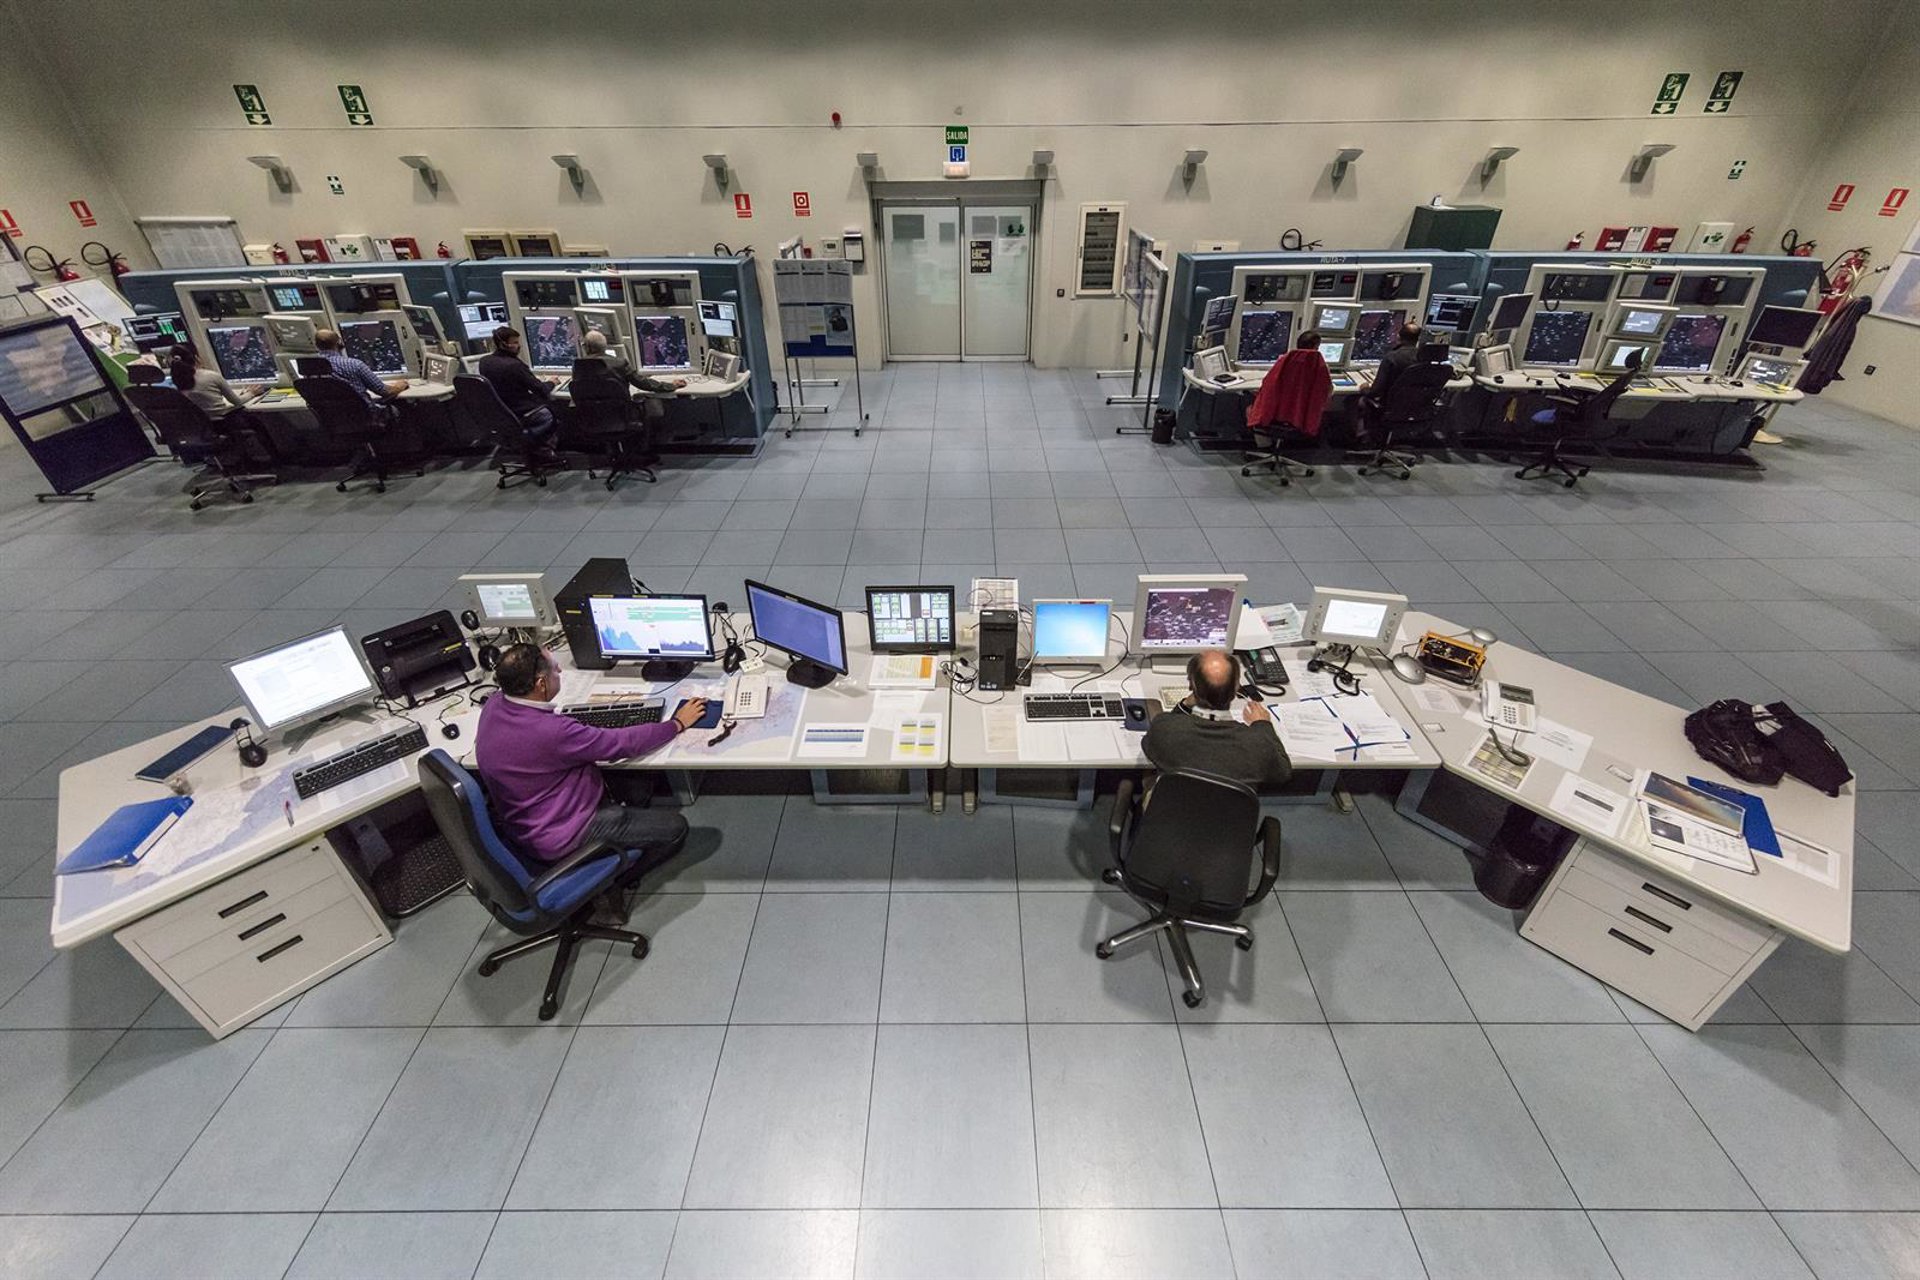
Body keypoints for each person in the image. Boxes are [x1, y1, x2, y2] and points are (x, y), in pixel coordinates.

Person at [474, 643, 705, 864]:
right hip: (563, 833)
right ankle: (620, 874)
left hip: (525, 823)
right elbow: (620, 744)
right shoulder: (552, 731)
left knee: (638, 784)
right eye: (555, 668)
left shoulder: (494, 704)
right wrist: (676, 724)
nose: (560, 670)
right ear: (541, 684)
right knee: (675, 828)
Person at [1143, 649, 1293, 792]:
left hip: (1171, 809)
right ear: (1235, 689)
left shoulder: (1164, 729)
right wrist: (1263, 725)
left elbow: (1149, 746)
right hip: (1230, 810)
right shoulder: (1257, 743)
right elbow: (1283, 772)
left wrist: (1184, 706)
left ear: (1191, 685)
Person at [477, 326, 557, 447]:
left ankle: (521, 442)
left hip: (501, 413)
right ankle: (527, 442)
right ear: (503, 344)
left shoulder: (484, 361)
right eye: (514, 343)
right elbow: (541, 390)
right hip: (520, 411)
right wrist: (552, 382)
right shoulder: (514, 365)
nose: (518, 346)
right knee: (550, 413)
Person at [1246, 328, 1333, 439]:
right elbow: (1327, 393)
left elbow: (1268, 387)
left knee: (1249, 408)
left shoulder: (1284, 361)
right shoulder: (1320, 367)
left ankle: (1265, 446)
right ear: (1316, 347)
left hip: (1276, 416)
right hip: (1303, 419)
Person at [314, 328, 407, 407]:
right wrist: (401, 385)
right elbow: (384, 391)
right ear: (339, 343)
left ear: (316, 345)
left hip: (331, 418)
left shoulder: (311, 367)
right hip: (364, 415)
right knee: (404, 405)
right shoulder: (354, 364)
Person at [166, 343, 263, 419]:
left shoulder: (177, 380)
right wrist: (252, 393)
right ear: (196, 357)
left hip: (205, 428)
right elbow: (237, 402)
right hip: (225, 422)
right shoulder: (211, 376)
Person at [576, 329, 687, 394]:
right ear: (605, 347)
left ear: (585, 348)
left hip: (589, 419)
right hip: (620, 414)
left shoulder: (578, 366)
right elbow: (644, 384)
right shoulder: (619, 363)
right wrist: (671, 385)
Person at [1366, 320, 1425, 405]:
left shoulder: (1391, 357)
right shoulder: (1424, 357)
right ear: (1418, 339)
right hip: (1415, 406)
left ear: (1398, 337)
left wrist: (1365, 389)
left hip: (1389, 406)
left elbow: (1375, 392)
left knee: (1356, 400)